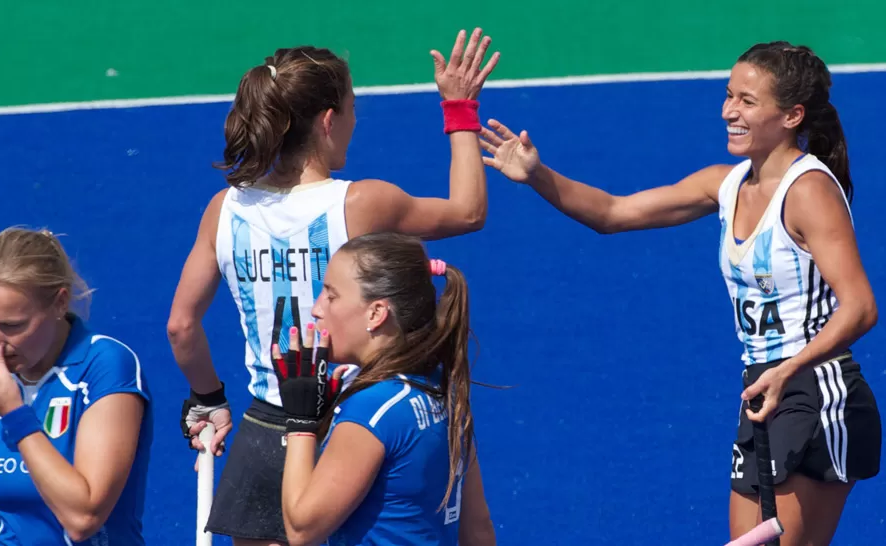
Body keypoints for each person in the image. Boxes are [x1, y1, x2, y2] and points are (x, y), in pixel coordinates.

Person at [478, 41, 881, 545]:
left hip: (817, 393)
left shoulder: (808, 192)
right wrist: (536, 174)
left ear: (792, 115)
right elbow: (613, 213)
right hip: (764, 389)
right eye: (729, 95)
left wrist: (787, 370)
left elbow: (861, 306)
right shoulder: (725, 184)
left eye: (747, 101)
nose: (728, 111)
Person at [167, 27, 499, 545]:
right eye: (350, 110)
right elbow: (469, 211)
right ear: (328, 121)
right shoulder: (361, 203)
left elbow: (181, 328)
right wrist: (458, 106)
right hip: (349, 428)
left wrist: (207, 399)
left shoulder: (223, 209)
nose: (354, 123)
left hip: (268, 430)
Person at [269, 232, 496, 546]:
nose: (317, 308)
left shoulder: (372, 411)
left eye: (331, 295)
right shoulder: (442, 390)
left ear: (376, 313)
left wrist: (301, 422)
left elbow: (302, 529)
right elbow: (479, 530)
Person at [0, 227, 153, 545]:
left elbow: (82, 518)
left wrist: (13, 413)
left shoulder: (103, 366)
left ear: (60, 303)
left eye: (11, 325)